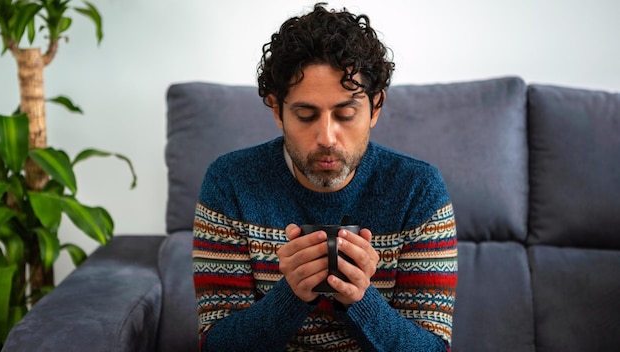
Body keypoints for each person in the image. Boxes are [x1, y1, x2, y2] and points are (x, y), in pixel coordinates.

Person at [193, 3, 457, 351]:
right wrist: (292, 295)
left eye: (346, 114)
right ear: (277, 110)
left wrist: (359, 299)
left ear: (375, 107)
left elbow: (434, 348)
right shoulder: (230, 183)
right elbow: (216, 345)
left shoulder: (418, 191)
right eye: (305, 115)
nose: (327, 138)